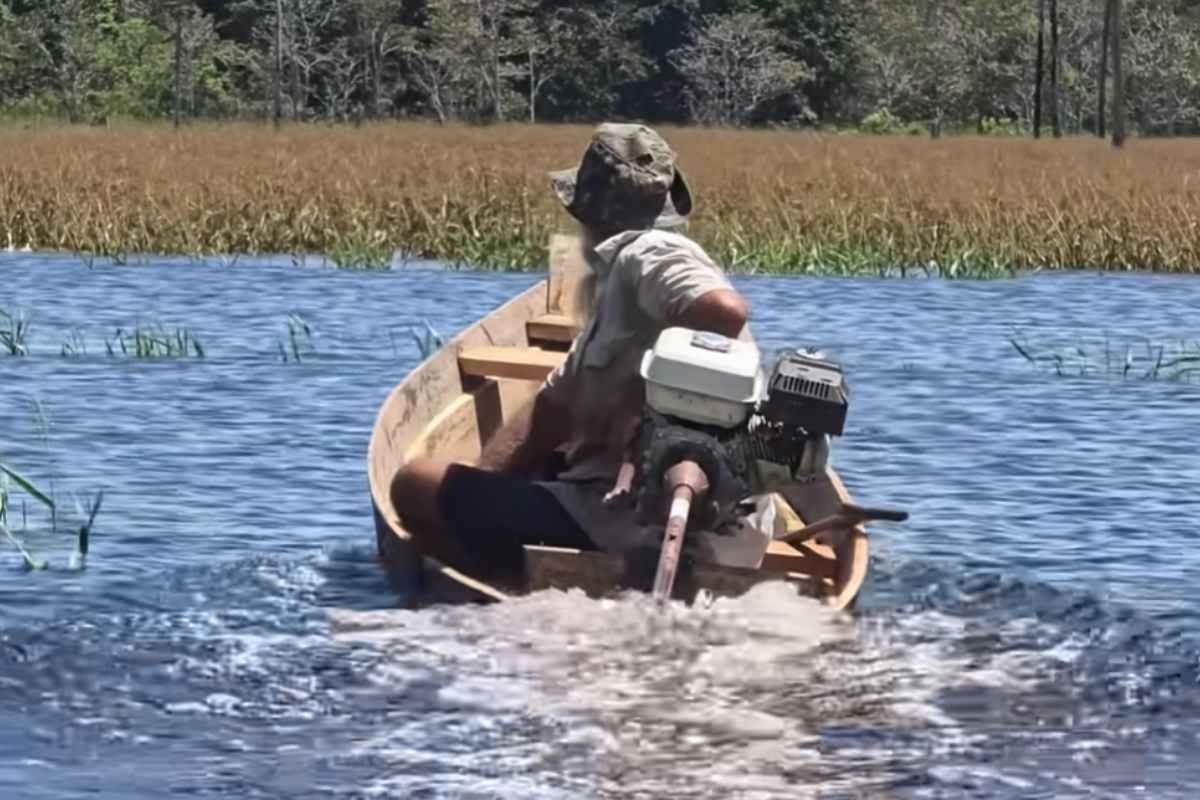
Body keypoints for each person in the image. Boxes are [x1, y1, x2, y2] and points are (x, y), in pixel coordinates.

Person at [389, 122, 775, 586]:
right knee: (524, 469)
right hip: (724, 528)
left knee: (413, 484)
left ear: (591, 213)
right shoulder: (620, 288)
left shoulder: (649, 251)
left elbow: (724, 311)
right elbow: (552, 413)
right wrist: (487, 481)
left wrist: (639, 399)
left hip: (634, 520)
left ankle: (511, 587)